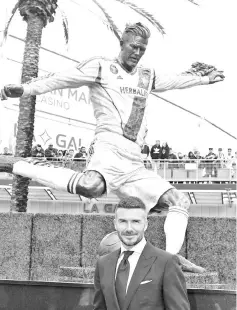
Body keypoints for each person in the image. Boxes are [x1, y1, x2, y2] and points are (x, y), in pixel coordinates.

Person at [0, 22, 224, 272]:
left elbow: (175, 81)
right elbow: (62, 79)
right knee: (90, 186)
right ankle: (20, 165)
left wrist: (204, 79)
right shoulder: (101, 66)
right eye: (134, 46)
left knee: (179, 200)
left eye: (142, 48)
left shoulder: (147, 75)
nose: (138, 52)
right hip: (108, 148)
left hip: (135, 161)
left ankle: (169, 261)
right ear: (122, 43)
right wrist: (27, 88)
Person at [93, 196, 190, 310]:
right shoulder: (103, 264)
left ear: (145, 224)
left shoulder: (166, 263)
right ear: (115, 224)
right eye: (123, 221)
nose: (129, 228)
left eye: (136, 221)